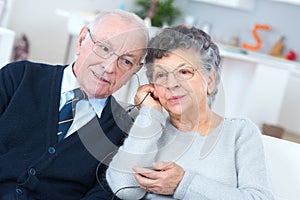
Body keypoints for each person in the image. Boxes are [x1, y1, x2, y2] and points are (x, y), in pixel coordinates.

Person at [106, 25, 274, 199]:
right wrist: (150, 114)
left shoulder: (239, 133)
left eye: (184, 72)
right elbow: (124, 189)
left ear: (210, 80)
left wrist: (183, 183)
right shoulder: (151, 129)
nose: (172, 84)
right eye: (161, 75)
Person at [0, 9, 148, 199]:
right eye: (104, 48)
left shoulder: (122, 133)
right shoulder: (19, 77)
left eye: (126, 61)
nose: (109, 67)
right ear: (81, 41)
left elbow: (101, 195)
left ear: (135, 70)